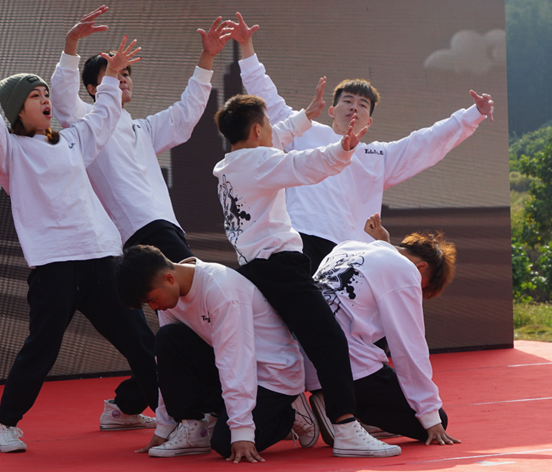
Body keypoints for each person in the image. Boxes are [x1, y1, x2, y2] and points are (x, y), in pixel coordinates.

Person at [0, 18, 158, 453]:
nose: (45, 100)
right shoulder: (8, 150)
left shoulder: (71, 141)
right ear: (16, 110)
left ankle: (173, 416)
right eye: (35, 96)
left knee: (141, 342)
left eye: (46, 94)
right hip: (54, 266)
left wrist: (107, 75)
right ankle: (5, 425)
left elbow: (105, 115)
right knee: (42, 349)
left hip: (102, 258)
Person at [224, 13, 494, 272]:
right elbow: (267, 97)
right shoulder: (304, 131)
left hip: (350, 252)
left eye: (363, 104)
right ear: (332, 110)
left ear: (369, 121)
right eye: (348, 101)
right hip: (301, 236)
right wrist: (246, 47)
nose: (354, 107)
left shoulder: (377, 156)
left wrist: (473, 115)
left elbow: (426, 142)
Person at [211, 92, 401, 458]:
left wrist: (304, 118)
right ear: (256, 130)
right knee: (329, 341)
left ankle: (297, 409)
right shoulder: (261, 161)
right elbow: (304, 165)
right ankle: (345, 426)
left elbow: (280, 139)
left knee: (288, 346)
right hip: (281, 268)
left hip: (254, 269)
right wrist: (343, 149)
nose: (274, 130)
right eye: (267, 124)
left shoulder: (230, 165)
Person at [49, 6, 230, 263]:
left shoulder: (143, 129)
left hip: (166, 224)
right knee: (197, 283)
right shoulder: (87, 122)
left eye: (125, 73)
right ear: (92, 89)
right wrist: (72, 41)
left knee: (184, 287)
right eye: (113, 73)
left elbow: (185, 114)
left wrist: (207, 56)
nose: (122, 78)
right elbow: (62, 99)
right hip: (139, 228)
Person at [114, 245, 318, 463]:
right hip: (232, 368)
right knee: (167, 338)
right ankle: (192, 427)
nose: (154, 307)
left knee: (225, 442)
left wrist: (241, 430)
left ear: (169, 279)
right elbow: (166, 364)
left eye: (152, 300)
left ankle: (288, 414)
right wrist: (164, 427)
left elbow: (236, 361)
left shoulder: (220, 288)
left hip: (273, 375)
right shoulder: (170, 298)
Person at [304, 213, 461, 448]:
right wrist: (429, 414)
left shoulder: (346, 248)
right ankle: (340, 409)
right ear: (420, 268)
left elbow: (379, 264)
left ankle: (338, 404)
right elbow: (409, 346)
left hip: (307, 363)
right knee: (434, 419)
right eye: (421, 287)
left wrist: (384, 241)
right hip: (347, 366)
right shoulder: (405, 270)